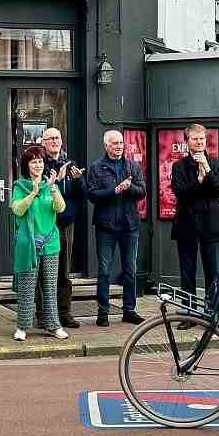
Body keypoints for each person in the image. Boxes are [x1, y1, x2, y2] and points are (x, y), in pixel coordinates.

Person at [86, 130, 146, 327]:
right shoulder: (97, 167)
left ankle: (129, 310)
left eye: (121, 142)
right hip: (106, 226)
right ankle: (103, 311)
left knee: (130, 269)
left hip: (130, 226)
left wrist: (129, 188)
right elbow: (92, 195)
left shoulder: (132, 166)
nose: (119, 146)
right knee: (104, 270)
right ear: (106, 146)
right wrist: (114, 191)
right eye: (114, 143)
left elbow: (142, 191)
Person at [10, 145, 69, 342]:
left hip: (50, 243)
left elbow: (60, 208)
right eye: (34, 161)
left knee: (50, 287)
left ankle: (53, 325)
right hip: (28, 244)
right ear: (27, 165)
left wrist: (52, 188)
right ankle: (22, 327)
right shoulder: (20, 186)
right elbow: (17, 209)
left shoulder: (49, 185)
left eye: (41, 161)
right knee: (28, 286)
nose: (38, 164)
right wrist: (32, 194)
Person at [170, 123, 219, 328]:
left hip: (211, 226)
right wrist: (199, 182)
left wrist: (207, 173)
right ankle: (189, 316)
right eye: (195, 139)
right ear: (187, 142)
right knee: (187, 273)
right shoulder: (179, 166)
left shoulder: (217, 164)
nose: (199, 142)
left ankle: (211, 315)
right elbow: (181, 193)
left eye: (202, 138)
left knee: (213, 273)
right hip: (186, 226)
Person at [34, 128, 85, 329]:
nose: (55, 141)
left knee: (64, 271)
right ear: (43, 142)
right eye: (51, 138)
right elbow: (37, 192)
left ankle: (64, 313)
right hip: (45, 224)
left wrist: (79, 181)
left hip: (65, 224)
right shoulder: (38, 164)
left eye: (57, 138)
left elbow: (82, 195)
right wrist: (56, 180)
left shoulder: (70, 164)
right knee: (42, 271)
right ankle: (42, 314)